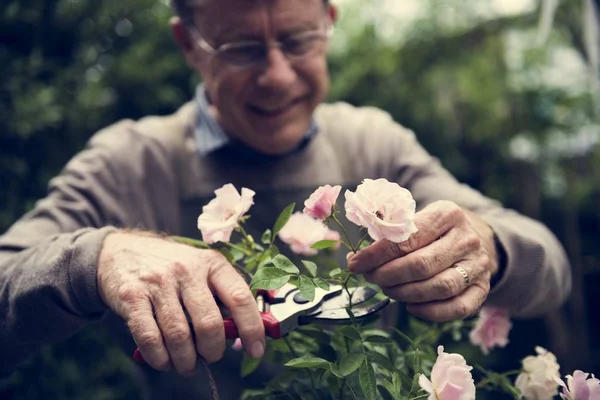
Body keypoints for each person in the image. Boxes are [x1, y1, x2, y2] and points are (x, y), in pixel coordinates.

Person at [0, 0, 571, 398]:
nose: (277, 76)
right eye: (242, 48)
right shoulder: (125, 164)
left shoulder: (375, 144)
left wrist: (489, 246)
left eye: (297, 40)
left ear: (328, 23)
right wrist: (94, 260)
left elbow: (552, 267)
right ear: (190, 46)